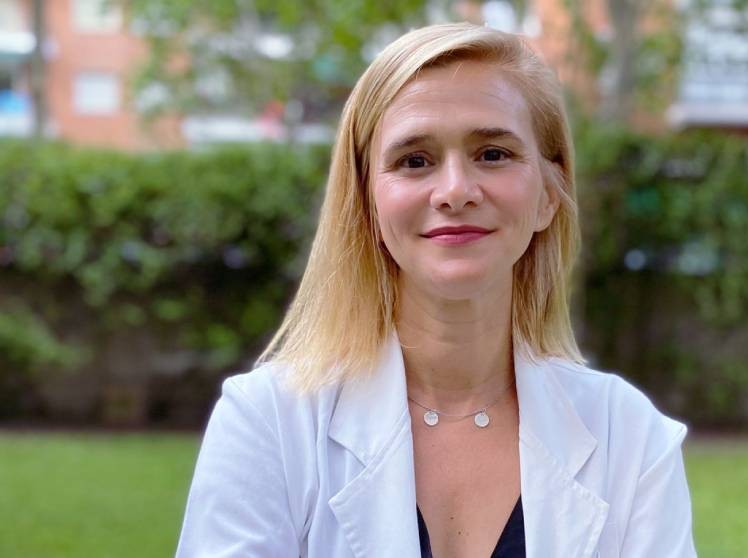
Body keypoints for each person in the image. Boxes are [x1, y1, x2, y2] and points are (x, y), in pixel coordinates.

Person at [175, 22, 697, 558]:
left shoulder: (630, 437)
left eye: (492, 153)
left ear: (548, 194)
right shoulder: (267, 423)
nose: (455, 191)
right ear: (367, 204)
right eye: (414, 161)